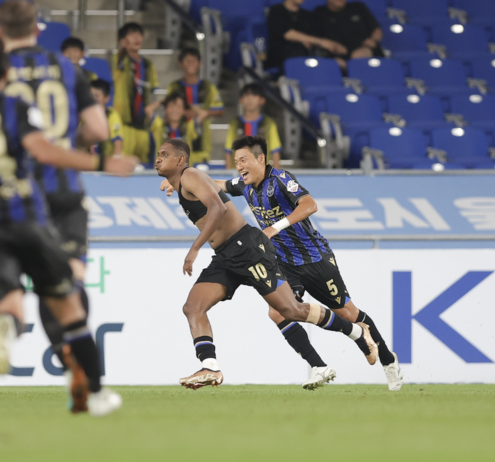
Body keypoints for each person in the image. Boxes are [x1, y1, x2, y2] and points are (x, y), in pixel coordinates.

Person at [0, 35, 127, 416]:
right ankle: (97, 393)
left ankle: (8, 326)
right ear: (6, 71)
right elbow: (44, 151)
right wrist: (101, 164)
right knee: (68, 307)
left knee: (11, 302)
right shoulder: (15, 107)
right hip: (27, 217)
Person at [0, 0, 136, 413]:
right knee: (69, 280)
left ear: (2, 32)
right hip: (64, 190)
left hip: (21, 193)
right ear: (38, 29)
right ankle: (83, 367)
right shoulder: (68, 69)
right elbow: (95, 128)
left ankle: (67, 360)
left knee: (43, 285)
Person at [155, 139, 378, 389]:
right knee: (193, 307)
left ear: (180, 160)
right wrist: (172, 181)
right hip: (225, 256)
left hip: (247, 248)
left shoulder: (190, 175)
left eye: (165, 154)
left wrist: (194, 248)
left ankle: (357, 332)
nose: (158, 158)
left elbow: (217, 208)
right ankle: (211, 368)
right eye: (158, 154)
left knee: (291, 310)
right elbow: (217, 187)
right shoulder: (186, 179)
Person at [224, 135, 403, 391]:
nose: (239, 166)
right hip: (285, 264)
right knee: (277, 311)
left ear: (260, 158)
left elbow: (310, 204)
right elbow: (217, 184)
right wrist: (182, 183)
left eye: (243, 160)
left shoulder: (281, 179)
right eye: (236, 161)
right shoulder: (244, 185)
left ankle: (388, 360)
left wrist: (275, 228)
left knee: (350, 314)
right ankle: (319, 366)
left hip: (314, 258)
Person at [266, 0, 345, 70]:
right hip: (281, 58)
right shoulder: (276, 10)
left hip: (306, 58)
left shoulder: (308, 15)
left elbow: (315, 37)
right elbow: (289, 34)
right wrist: (317, 41)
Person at [313, 0, 383, 70]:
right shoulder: (319, 13)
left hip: (364, 54)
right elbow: (316, 40)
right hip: (337, 58)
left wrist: (372, 41)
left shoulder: (358, 7)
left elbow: (376, 30)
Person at [112, 22, 159, 162]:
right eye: (131, 34)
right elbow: (118, 62)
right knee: (123, 166)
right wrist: (123, 49)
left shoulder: (148, 65)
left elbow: (153, 92)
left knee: (144, 167)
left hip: (142, 126)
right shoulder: (120, 59)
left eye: (139, 34)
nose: (137, 38)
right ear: (122, 41)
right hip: (124, 125)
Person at [167, 47, 223, 164]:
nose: (191, 63)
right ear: (180, 64)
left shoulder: (208, 87)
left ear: (199, 63)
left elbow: (220, 111)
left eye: (194, 60)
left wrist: (204, 113)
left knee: (201, 171)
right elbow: (169, 109)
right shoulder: (174, 87)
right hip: (181, 132)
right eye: (187, 60)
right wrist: (187, 113)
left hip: (202, 135)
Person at [225, 84, 280, 169]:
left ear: (262, 100)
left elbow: (275, 151)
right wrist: (228, 175)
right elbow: (228, 151)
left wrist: (276, 176)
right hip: (239, 174)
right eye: (246, 95)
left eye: (254, 95)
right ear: (241, 100)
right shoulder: (234, 123)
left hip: (261, 174)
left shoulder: (269, 123)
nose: (250, 99)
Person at [150, 93, 210, 167]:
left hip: (184, 173)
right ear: (165, 109)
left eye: (178, 107)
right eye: (171, 107)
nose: (175, 110)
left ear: (183, 110)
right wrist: (162, 101)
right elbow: (148, 110)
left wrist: (188, 103)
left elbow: (203, 114)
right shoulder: (159, 126)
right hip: (162, 172)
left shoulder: (188, 127)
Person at [89, 79, 123, 157]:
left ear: (106, 98)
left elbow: (118, 144)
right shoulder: (86, 116)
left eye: (96, 96)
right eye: (90, 95)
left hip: (107, 165)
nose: (92, 99)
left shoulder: (111, 115)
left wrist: (113, 164)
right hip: (91, 165)